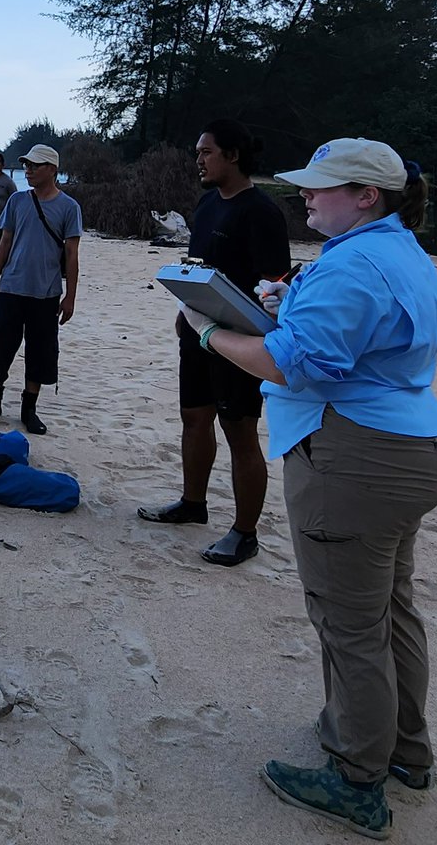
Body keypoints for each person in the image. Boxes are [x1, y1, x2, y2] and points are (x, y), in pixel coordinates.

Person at [180, 138, 437, 838]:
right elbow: (344, 338)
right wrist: (284, 298)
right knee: (390, 609)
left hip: (356, 459)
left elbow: (291, 363)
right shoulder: (397, 252)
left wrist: (209, 330)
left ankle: (357, 778)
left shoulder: (358, 261)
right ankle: (406, 753)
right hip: (413, 444)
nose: (306, 195)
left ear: (367, 195)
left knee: (349, 624)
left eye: (322, 187)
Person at [138, 119, 289, 566]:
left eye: (206, 152)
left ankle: (245, 533)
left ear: (233, 155)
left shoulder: (260, 211)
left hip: (241, 341)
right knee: (193, 418)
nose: (198, 159)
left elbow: (276, 284)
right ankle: (192, 503)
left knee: (239, 430)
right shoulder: (206, 206)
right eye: (197, 152)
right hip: (197, 332)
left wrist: (249, 317)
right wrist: (184, 307)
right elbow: (200, 267)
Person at [0, 143, 81, 435]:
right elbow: (5, 242)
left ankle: (29, 408)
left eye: (35, 165)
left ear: (52, 170)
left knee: (40, 351)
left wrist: (70, 297)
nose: (28, 169)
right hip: (11, 288)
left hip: (46, 293)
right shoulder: (16, 201)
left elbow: (72, 255)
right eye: (26, 164)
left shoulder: (69, 207)